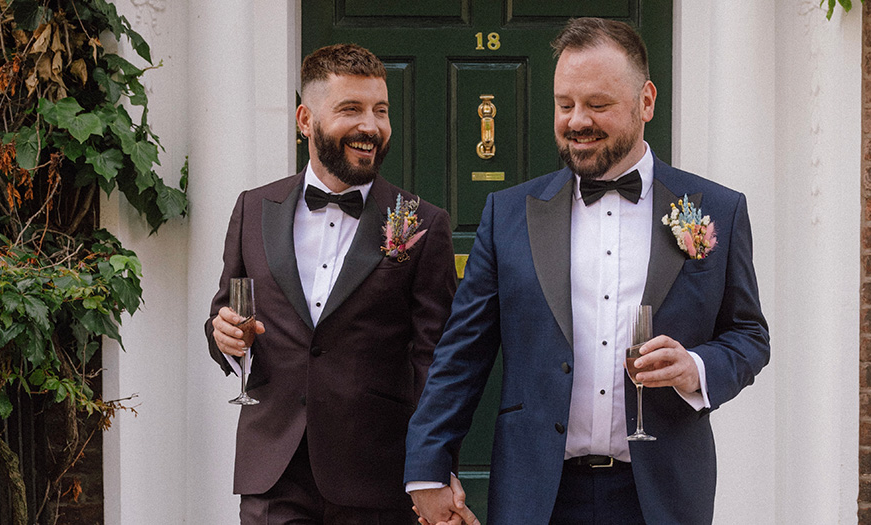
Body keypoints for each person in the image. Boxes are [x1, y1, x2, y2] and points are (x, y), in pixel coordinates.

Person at [405, 17, 770, 525]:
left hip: (662, 496)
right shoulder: (509, 214)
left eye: (598, 105)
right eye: (565, 104)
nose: (577, 120)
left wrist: (698, 369)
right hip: (538, 495)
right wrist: (428, 468)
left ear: (646, 101)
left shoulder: (718, 211)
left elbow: (750, 336)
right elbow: (461, 353)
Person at [206, 43, 462, 524]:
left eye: (380, 111)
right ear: (306, 119)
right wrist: (222, 336)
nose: (371, 126)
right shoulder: (252, 209)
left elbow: (437, 360)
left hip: (375, 476)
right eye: (351, 109)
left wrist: (434, 467)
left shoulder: (421, 223)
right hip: (273, 472)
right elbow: (226, 313)